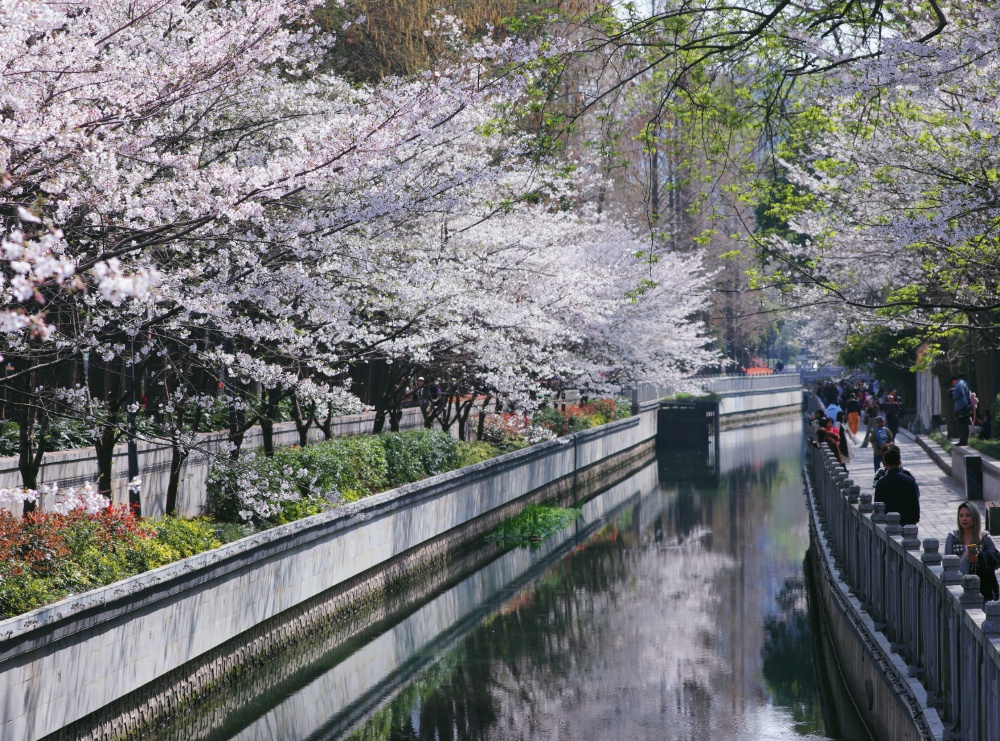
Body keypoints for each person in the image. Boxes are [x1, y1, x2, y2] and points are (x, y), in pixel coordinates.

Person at [945, 502, 1000, 602]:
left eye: (968, 515)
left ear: (975, 517)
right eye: (961, 516)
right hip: (958, 589)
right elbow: (946, 565)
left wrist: (980, 558)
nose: (964, 519)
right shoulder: (952, 538)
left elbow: (997, 559)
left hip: (982, 588)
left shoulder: (984, 538)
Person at [873, 444, 920, 526]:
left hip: (887, 523)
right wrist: (915, 519)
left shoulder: (881, 482)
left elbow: (878, 504)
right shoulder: (909, 480)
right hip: (907, 522)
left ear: (885, 463)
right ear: (899, 461)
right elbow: (915, 499)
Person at [949, 375, 972, 446]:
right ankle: (965, 440)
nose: (953, 385)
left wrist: (952, 393)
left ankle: (962, 441)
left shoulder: (958, 385)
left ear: (953, 380)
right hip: (966, 406)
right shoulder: (964, 383)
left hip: (960, 407)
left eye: (952, 384)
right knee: (965, 424)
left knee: (960, 424)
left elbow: (956, 396)